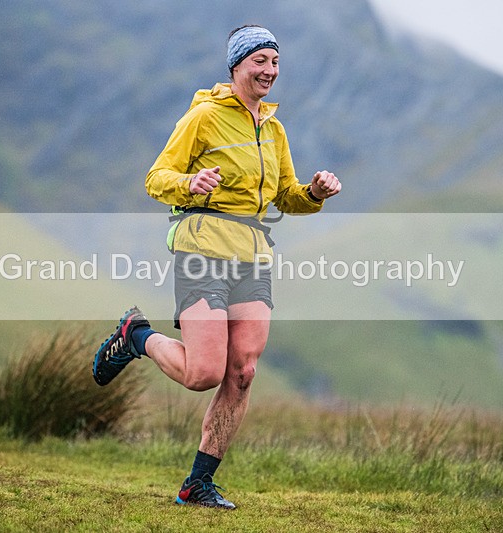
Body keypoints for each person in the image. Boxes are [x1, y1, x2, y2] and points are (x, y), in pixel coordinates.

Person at [92, 24, 341, 509]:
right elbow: (156, 177)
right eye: (259, 61)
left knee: (243, 372)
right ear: (237, 66)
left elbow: (286, 196)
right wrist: (191, 184)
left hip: (253, 256)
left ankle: (197, 484)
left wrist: (313, 192)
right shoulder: (204, 117)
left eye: (274, 61)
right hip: (203, 249)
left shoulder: (274, 129)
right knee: (203, 373)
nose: (269, 70)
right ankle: (136, 336)